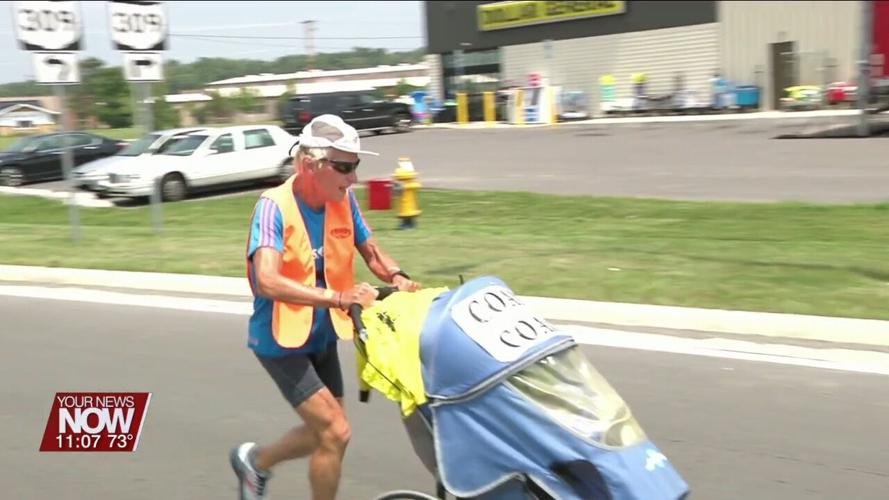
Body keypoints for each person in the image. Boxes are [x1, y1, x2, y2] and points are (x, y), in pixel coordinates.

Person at [230, 114, 421, 500]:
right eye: (344, 167)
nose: (353, 179)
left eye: (356, 167)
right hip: (280, 341)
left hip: (322, 333)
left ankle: (257, 463)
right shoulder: (274, 207)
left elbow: (369, 248)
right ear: (310, 165)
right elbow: (266, 279)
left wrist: (399, 277)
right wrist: (338, 297)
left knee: (333, 434)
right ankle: (257, 464)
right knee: (335, 431)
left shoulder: (342, 199)